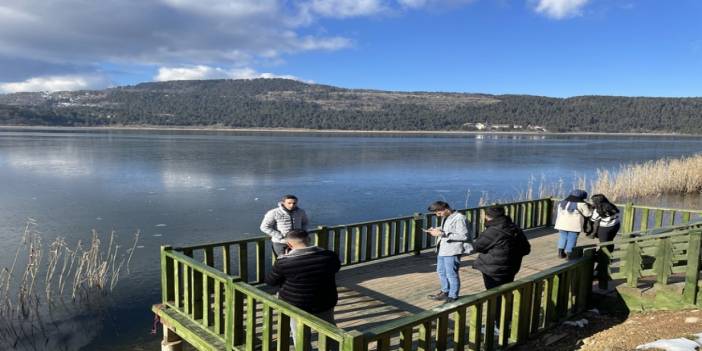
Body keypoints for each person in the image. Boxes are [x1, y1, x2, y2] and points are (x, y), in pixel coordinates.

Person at [264, 229, 341, 345]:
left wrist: (284, 258)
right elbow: (336, 268)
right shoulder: (330, 256)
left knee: (300, 335)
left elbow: (271, 281)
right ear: (309, 240)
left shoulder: (284, 262)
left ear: (289, 244)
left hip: (297, 305)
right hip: (325, 301)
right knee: (330, 331)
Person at [473, 205, 531, 291]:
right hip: (511, 268)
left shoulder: (492, 231)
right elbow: (526, 249)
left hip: (493, 271)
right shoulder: (514, 228)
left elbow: (478, 246)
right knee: (506, 292)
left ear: (487, 216)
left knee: (493, 294)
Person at [425, 201, 471, 303]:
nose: (437, 215)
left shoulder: (460, 218)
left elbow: (464, 235)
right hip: (443, 248)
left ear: (445, 208)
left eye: (438, 213)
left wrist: (442, 234)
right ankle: (445, 291)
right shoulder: (446, 216)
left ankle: (453, 296)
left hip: (452, 250)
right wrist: (436, 229)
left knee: (451, 273)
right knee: (441, 271)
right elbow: (447, 229)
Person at [554, 189, 592, 259]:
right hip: (574, 226)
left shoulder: (562, 202)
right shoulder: (582, 204)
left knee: (563, 238)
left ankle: (560, 253)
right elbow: (588, 214)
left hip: (561, 224)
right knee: (572, 239)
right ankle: (569, 255)